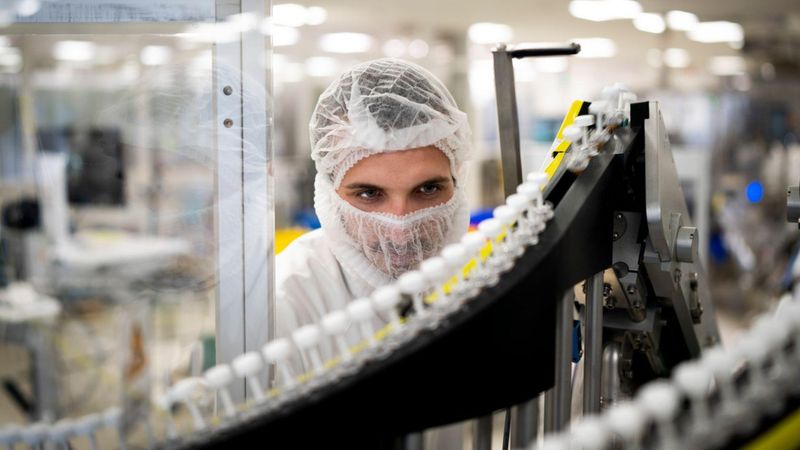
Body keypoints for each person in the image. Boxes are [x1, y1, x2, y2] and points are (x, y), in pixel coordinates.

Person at [275, 58, 471, 338]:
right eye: (369, 194)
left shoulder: (488, 273)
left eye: (427, 190)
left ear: (458, 180)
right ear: (331, 193)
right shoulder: (286, 304)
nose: (401, 228)